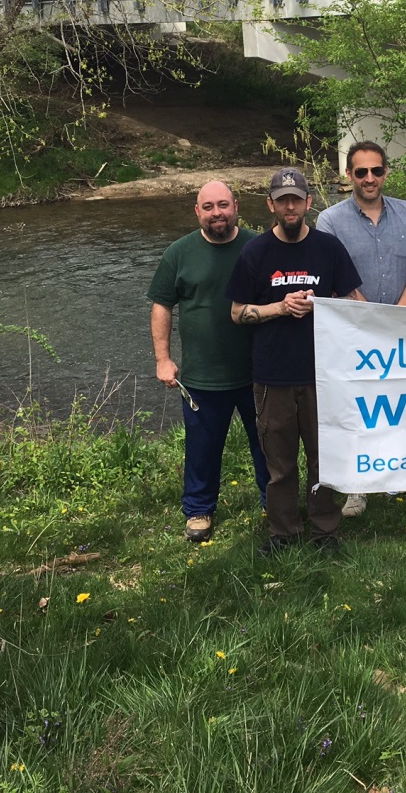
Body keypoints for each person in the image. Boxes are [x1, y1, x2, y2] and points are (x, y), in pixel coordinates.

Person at [227, 167, 364, 555]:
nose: (290, 206)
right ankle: (283, 533)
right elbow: (237, 313)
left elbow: (355, 301)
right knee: (280, 462)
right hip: (272, 375)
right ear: (271, 204)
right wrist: (280, 307)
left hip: (323, 374)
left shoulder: (328, 248)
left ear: (308, 203)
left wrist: (329, 307)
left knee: (324, 458)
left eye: (296, 199)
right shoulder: (255, 252)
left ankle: (325, 531)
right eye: (282, 199)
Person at [315, 141, 406, 515]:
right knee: (362, 408)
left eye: (376, 170)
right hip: (354, 333)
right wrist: (368, 317)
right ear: (349, 176)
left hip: (405, 330)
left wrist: (395, 318)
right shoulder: (330, 221)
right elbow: (332, 278)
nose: (369, 178)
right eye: (361, 172)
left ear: (386, 171)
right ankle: (358, 486)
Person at [147, 180, 269, 543]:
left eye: (223, 205)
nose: (217, 213)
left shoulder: (258, 247)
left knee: (268, 443)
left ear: (237, 206)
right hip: (202, 374)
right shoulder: (178, 253)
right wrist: (163, 359)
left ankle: (274, 503)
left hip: (258, 370)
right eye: (209, 206)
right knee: (202, 448)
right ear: (197, 211)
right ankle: (199, 509)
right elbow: (161, 305)